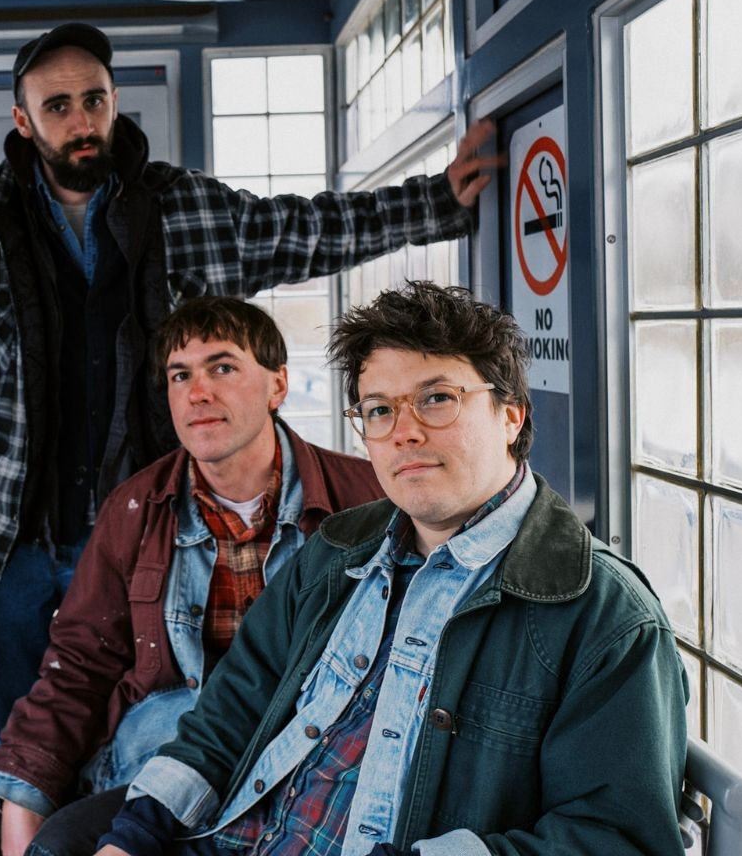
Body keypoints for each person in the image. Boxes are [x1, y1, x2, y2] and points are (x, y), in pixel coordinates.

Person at [0, 21, 502, 736]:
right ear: (22, 119)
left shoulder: (187, 206)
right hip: (8, 539)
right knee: (20, 735)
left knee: (136, 726)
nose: (81, 121)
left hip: (149, 533)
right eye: (57, 106)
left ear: (114, 100)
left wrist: (437, 200)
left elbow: (307, 229)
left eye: (93, 100)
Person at [94, 281, 689, 856]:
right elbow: (232, 706)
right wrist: (138, 829)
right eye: (378, 410)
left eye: (436, 399)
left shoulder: (601, 614)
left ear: (511, 413)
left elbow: (616, 838)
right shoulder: (335, 552)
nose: (403, 432)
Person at [0, 297, 385, 856]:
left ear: (277, 386)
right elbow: (79, 664)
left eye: (223, 367)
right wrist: (27, 784)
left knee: (61, 845)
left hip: (286, 761)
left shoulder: (365, 498)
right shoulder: (137, 507)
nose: (198, 392)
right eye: (180, 375)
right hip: (156, 751)